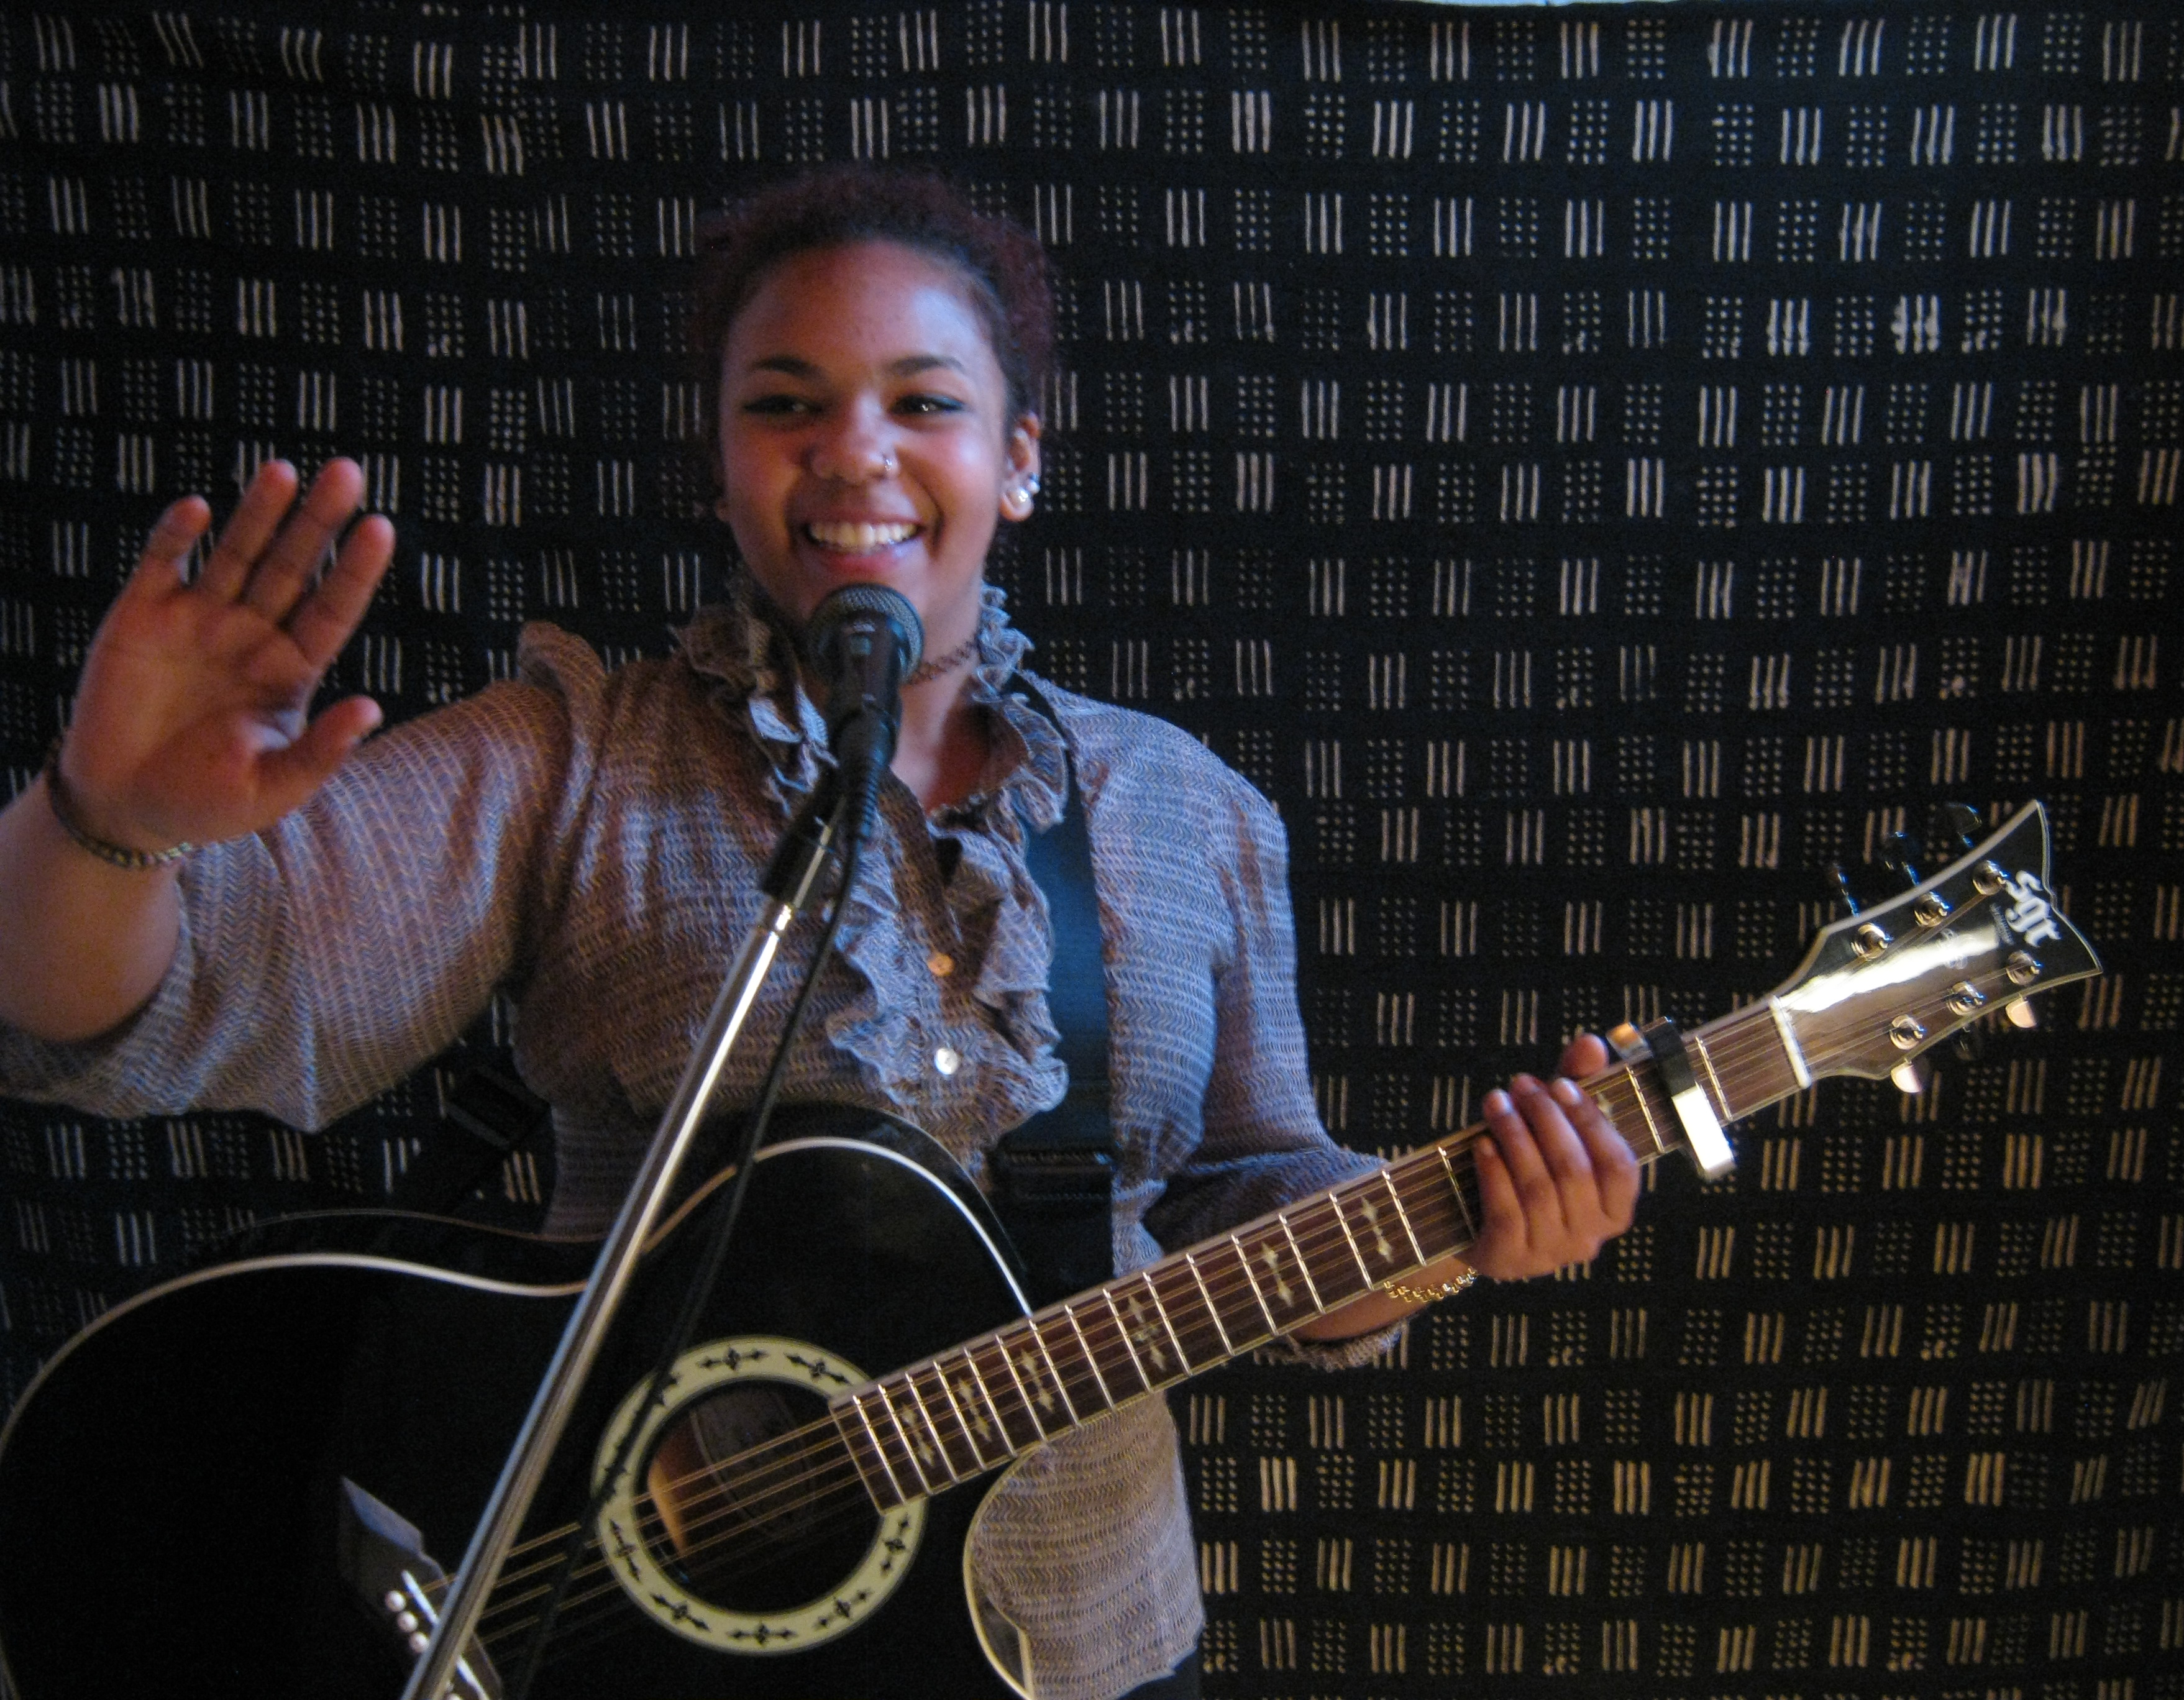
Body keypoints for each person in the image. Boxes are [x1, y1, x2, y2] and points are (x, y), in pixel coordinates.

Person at [0, 166, 1638, 1700]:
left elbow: (1249, 1195)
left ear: (1018, 459)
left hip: (1080, 1644)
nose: (855, 453)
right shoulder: (575, 761)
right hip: (619, 1638)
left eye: (925, 403)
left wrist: (1471, 1217)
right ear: (721, 465)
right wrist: (103, 820)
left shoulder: (1187, 808)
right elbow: (139, 1005)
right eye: (785, 404)